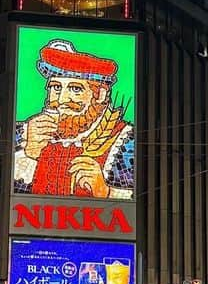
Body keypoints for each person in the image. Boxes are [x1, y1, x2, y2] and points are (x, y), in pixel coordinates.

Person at [12, 38, 134, 199]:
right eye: (55, 87)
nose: (61, 99)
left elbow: (148, 200)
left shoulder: (127, 141)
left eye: (75, 89)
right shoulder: (21, 134)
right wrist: (28, 154)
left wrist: (106, 191)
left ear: (101, 95)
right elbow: (1, 196)